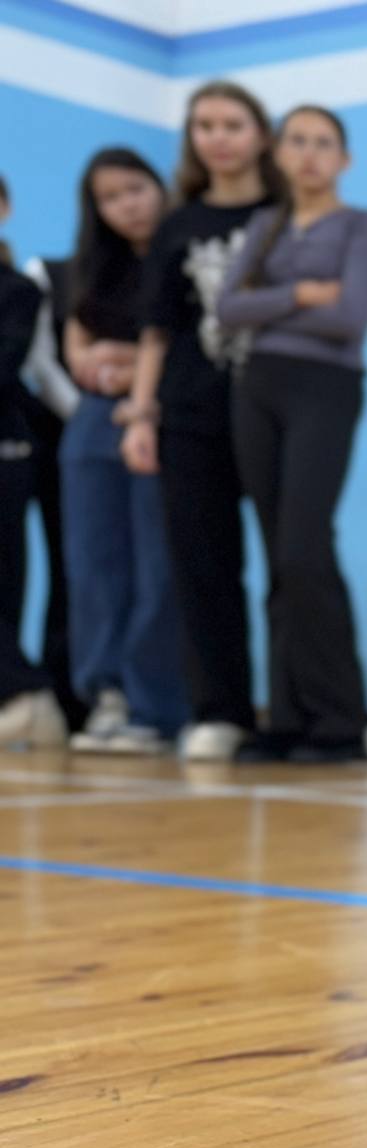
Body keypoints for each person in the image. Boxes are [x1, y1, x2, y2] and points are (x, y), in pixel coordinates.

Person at [118, 81, 289, 763]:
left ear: (260, 134)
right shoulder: (177, 226)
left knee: (293, 559)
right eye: (203, 125)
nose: (217, 137)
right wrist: (140, 414)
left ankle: (305, 709)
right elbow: (157, 331)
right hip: (191, 415)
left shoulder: (286, 217)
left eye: (232, 124)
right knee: (204, 565)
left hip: (275, 407)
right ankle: (221, 709)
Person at [212, 105, 367, 764]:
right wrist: (301, 295)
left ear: (344, 160)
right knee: (276, 554)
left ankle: (341, 719)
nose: (310, 154)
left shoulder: (362, 226)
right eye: (298, 141)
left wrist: (281, 304)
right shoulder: (266, 226)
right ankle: (285, 719)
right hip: (258, 388)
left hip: (326, 389)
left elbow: (352, 315)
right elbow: (228, 309)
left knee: (304, 548)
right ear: (279, 154)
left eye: (324, 143)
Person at [55, 150, 188, 755]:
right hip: (91, 426)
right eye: (110, 198)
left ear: (158, 187)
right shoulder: (88, 271)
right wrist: (94, 362)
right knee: (93, 563)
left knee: (157, 564)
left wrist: (134, 364)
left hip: (161, 419)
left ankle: (154, 703)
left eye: (135, 189)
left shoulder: (182, 257)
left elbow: (179, 343)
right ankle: (104, 692)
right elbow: (77, 351)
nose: (126, 205)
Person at [0, 173, 71, 748]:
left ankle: (26, 695)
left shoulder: (17, 290)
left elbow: (11, 364)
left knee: (5, 573)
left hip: (10, 444)